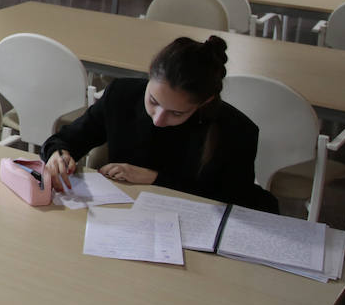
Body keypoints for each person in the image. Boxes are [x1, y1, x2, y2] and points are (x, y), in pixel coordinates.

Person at [41, 35, 278, 212]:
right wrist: (58, 154)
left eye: (176, 113)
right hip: (119, 218)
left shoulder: (235, 130)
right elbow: (66, 139)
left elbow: (234, 200)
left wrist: (156, 178)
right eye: (153, 101)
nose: (158, 119)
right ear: (149, 77)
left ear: (205, 102)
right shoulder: (121, 95)